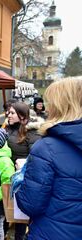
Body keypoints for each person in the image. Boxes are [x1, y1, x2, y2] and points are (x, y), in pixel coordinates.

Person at [15, 78, 82, 239]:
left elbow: (30, 204)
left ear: (60, 106)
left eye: (50, 103)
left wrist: (20, 177)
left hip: (52, 232)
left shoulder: (47, 148)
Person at [5, 101, 41, 240]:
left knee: (20, 217)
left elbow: (36, 155)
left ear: (22, 116)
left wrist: (23, 164)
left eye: (12, 112)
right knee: (5, 214)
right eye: (9, 112)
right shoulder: (9, 128)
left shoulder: (32, 133)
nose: (8, 114)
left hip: (22, 178)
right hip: (7, 175)